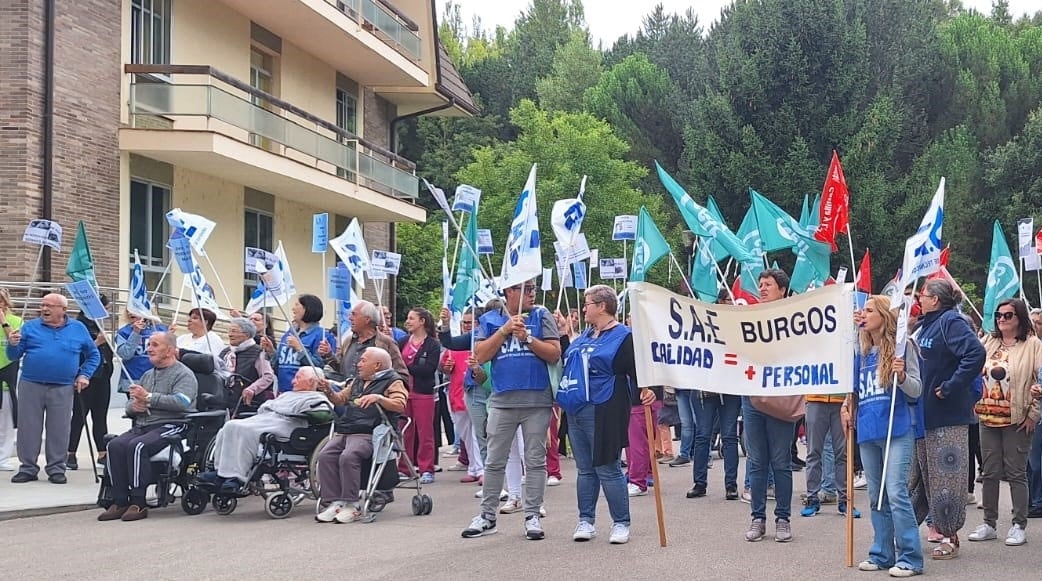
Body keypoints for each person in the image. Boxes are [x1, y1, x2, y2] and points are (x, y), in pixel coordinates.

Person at [461, 278, 561, 541]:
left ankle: (532, 516)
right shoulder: (492, 318)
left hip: (536, 399)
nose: (532, 294)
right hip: (503, 400)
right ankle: (487, 516)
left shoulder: (541, 315)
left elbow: (554, 353)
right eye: (526, 289)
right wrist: (505, 330)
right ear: (509, 291)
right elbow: (480, 354)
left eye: (534, 289)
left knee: (535, 461)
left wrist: (527, 337)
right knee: (495, 460)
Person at [558, 284, 654, 545]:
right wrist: (565, 337)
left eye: (587, 303)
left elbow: (641, 368)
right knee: (585, 468)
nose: (583, 308)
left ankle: (621, 522)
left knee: (607, 466)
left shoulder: (624, 336)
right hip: (577, 407)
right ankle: (585, 520)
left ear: (602, 306)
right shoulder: (586, 336)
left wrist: (647, 389)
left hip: (605, 408)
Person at [845, 295, 924, 577]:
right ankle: (882, 552)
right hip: (868, 429)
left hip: (897, 428)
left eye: (869, 310)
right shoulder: (862, 351)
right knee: (876, 495)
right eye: (861, 310)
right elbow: (853, 389)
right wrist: (847, 406)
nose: (862, 314)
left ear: (884, 315)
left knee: (896, 491)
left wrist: (902, 378)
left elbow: (916, 390)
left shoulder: (904, 348)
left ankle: (911, 557)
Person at [909, 279, 986, 560]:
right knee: (921, 479)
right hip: (921, 414)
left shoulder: (951, 322)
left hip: (947, 416)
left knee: (946, 479)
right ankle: (906, 531)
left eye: (924, 294)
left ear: (937, 300)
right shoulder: (922, 325)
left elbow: (975, 353)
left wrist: (951, 385)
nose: (920, 296)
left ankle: (950, 536)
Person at [97, 332, 197, 521]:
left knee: (138, 446)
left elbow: (182, 402)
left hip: (172, 424)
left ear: (169, 350)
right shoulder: (147, 375)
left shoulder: (184, 374)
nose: (149, 349)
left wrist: (149, 399)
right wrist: (134, 406)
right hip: (143, 424)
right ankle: (119, 500)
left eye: (155, 345)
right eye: (149, 344)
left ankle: (138, 502)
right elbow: (133, 403)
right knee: (114, 445)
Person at [966, 298, 1041, 546]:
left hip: (1017, 418)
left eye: (1007, 315)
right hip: (987, 416)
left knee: (1016, 472)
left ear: (1019, 318)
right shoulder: (989, 341)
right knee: (989, 472)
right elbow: (972, 367)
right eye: (998, 315)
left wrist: (1034, 414)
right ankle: (989, 523)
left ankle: (1019, 524)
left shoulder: (1033, 345)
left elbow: (1040, 381)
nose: (1001, 319)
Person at [6, 293, 100, 484]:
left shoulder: (78, 328)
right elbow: (14, 356)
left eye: (49, 305)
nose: (44, 309)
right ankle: (28, 468)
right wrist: (12, 344)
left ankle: (56, 468)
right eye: (43, 305)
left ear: (63, 310)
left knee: (59, 429)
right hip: (31, 384)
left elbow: (93, 355)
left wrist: (84, 375)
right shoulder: (30, 327)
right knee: (28, 428)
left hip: (63, 386)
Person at [200, 366, 331, 492]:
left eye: (298, 378)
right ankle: (220, 472)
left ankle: (236, 477)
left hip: (288, 425)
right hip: (268, 419)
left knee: (245, 429)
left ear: (311, 381)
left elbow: (324, 414)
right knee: (228, 427)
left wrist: (281, 409)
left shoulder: (317, 398)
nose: (293, 381)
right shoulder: (288, 394)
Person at [315, 347, 408, 523]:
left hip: (371, 432)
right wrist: (328, 390)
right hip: (348, 429)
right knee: (325, 455)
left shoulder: (394, 381)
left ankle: (352, 503)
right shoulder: (357, 381)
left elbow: (400, 404)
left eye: (363, 360)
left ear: (377, 365)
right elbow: (339, 399)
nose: (358, 364)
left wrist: (379, 398)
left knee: (348, 456)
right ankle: (335, 501)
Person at [743, 269, 798, 542]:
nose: (762, 288)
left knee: (780, 461)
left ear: (782, 290)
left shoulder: (793, 319)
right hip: (752, 397)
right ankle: (757, 518)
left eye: (769, 285)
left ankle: (783, 519)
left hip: (781, 398)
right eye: (761, 284)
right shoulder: (748, 318)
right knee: (756, 461)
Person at [67, 296, 115, 471]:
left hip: (102, 377)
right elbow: (77, 352)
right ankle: (70, 453)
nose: (107, 312)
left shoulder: (100, 326)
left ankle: (102, 453)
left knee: (100, 416)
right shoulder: (78, 326)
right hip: (85, 377)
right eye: (105, 308)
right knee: (79, 416)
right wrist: (97, 343)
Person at [397, 307, 441, 483]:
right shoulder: (402, 341)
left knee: (425, 432)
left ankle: (426, 469)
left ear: (422, 321)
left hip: (423, 393)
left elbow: (429, 369)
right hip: (403, 392)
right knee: (404, 431)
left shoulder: (432, 344)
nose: (408, 321)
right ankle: (404, 467)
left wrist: (406, 369)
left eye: (411, 318)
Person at [440, 309, 484, 484]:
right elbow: (443, 368)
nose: (466, 326)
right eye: (464, 323)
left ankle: (482, 470)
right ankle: (474, 468)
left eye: (470, 322)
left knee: (477, 435)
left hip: (475, 394)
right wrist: (446, 367)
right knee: (466, 436)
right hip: (457, 396)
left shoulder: (480, 344)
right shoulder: (456, 347)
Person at [320, 300, 407, 383]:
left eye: (354, 314)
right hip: (345, 395)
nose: (350, 318)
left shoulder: (386, 343)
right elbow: (340, 369)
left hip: (371, 397)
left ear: (367, 319)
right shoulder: (348, 341)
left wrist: (381, 388)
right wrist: (328, 355)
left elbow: (402, 375)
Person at [271, 294, 327, 394]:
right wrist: (271, 352)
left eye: (297, 305)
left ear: (307, 309)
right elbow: (278, 366)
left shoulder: (321, 336)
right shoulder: (289, 334)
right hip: (283, 393)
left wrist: (300, 349)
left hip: (305, 395)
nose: (293, 309)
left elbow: (318, 367)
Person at [219, 317, 275, 409]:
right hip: (225, 400)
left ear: (247, 334)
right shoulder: (225, 353)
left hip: (249, 402)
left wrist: (252, 389)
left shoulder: (258, 352)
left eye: (234, 331)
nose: (230, 335)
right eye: (229, 331)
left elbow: (268, 376)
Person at [115, 310, 168, 394]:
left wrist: (171, 336)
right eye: (128, 310)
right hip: (133, 378)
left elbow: (167, 353)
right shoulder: (123, 332)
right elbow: (125, 355)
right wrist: (135, 333)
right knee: (136, 406)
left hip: (157, 378)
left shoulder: (161, 329)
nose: (130, 312)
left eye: (134, 309)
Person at [0, 289, 24, 471]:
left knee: (6, 421)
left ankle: (3, 456)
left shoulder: (16, 322)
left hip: (7, 377)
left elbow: (16, 342)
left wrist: (4, 322)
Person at [1030, 309, 1042, 519]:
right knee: (1032, 461)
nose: (1035, 326)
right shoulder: (1030, 348)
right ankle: (1033, 500)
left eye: (1039, 323)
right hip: (1036, 411)